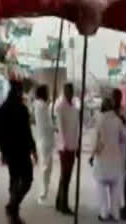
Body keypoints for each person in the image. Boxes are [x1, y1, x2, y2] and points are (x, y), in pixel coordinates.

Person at [0, 79, 38, 224]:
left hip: (10, 151)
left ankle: (13, 212)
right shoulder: (22, 109)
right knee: (27, 179)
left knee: (14, 180)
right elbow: (27, 132)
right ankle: (13, 207)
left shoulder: (3, 108)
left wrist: (2, 150)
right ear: (18, 92)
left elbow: (0, 132)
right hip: (21, 150)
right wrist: (33, 149)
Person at [91, 97, 126, 221]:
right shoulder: (117, 121)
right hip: (115, 160)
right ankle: (115, 213)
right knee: (115, 189)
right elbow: (125, 137)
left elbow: (95, 141)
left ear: (102, 107)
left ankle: (103, 213)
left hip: (102, 160)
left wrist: (92, 155)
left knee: (101, 187)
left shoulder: (99, 120)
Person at [55, 82, 80, 215]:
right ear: (64, 92)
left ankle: (59, 201)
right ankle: (63, 204)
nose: (69, 93)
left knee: (66, 176)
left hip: (72, 146)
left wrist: (77, 145)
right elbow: (60, 128)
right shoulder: (60, 108)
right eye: (67, 91)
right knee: (66, 176)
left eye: (71, 91)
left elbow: (77, 129)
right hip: (65, 147)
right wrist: (64, 145)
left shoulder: (74, 108)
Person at [32, 84, 54, 205]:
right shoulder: (41, 105)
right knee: (45, 168)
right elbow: (47, 124)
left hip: (46, 140)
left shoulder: (42, 105)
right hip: (45, 140)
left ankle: (44, 192)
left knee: (47, 168)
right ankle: (42, 194)